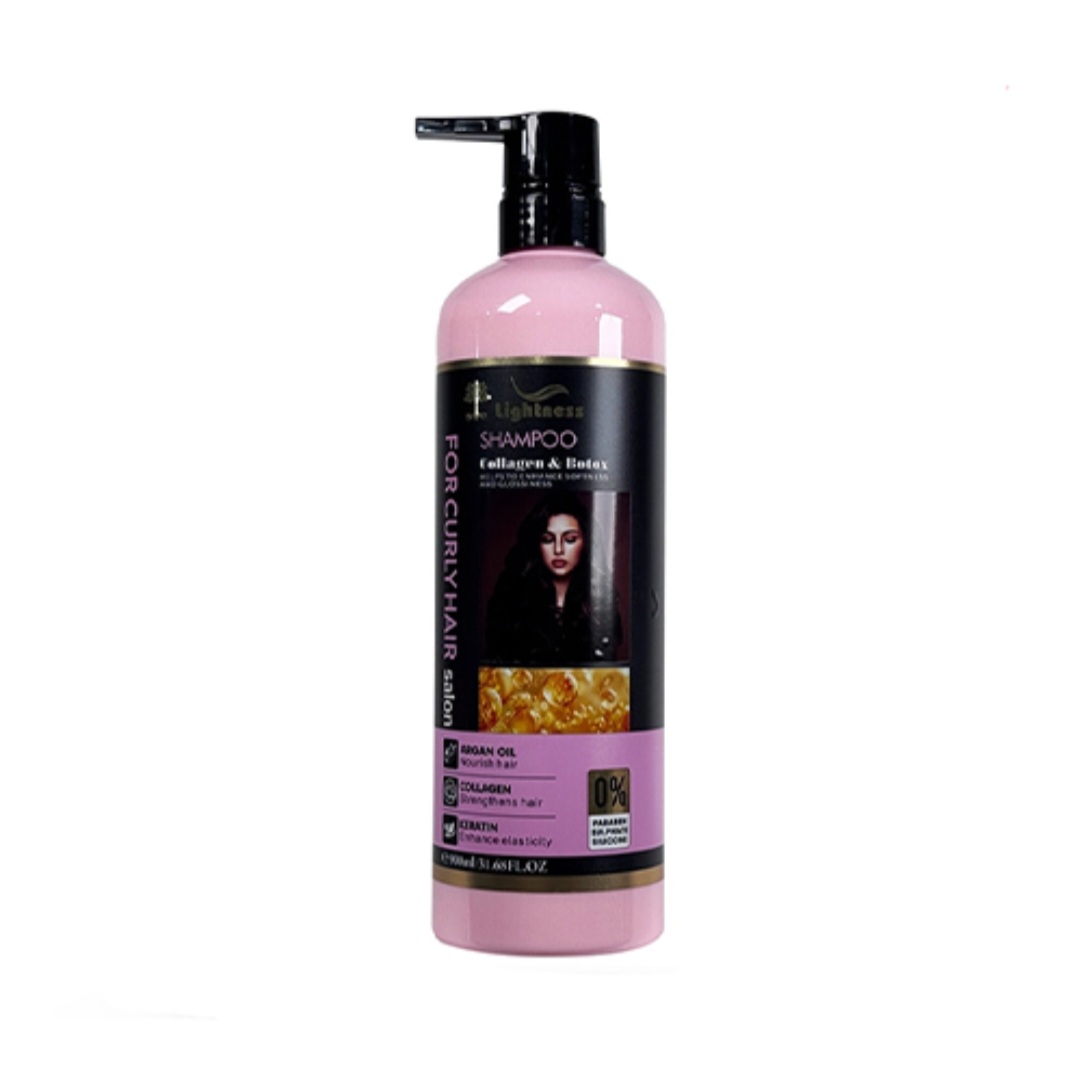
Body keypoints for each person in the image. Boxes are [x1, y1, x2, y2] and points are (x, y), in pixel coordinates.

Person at [485, 491, 622, 663]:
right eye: (548, 539)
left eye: (570, 539)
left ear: (586, 542)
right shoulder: (511, 600)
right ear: (537, 543)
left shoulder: (600, 602)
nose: (558, 549)